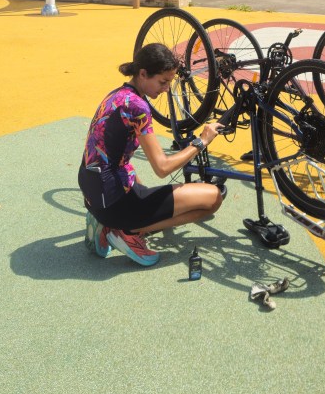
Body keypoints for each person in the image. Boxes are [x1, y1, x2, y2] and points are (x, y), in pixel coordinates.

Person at [78, 41, 224, 267]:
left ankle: (108, 220)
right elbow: (162, 168)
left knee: (136, 180)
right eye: (163, 81)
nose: (166, 88)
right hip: (112, 201)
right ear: (143, 73)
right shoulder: (138, 107)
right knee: (213, 198)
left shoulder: (118, 95)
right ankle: (125, 231)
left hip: (93, 191)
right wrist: (202, 140)